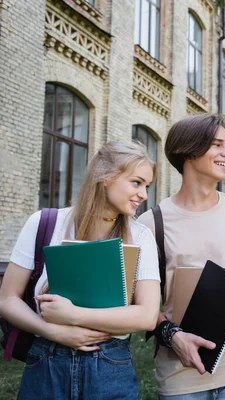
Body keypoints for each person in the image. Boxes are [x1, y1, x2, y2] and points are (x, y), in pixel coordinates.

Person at [0, 140, 161, 399]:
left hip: (110, 366)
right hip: (46, 362)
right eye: (136, 182)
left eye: (147, 186)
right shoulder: (44, 222)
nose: (144, 194)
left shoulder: (141, 237)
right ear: (106, 177)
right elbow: (7, 299)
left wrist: (74, 315)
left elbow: (147, 316)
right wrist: (50, 330)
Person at [138, 113, 225, 400]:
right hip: (180, 369)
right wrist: (173, 336)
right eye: (217, 145)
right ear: (189, 150)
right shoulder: (151, 223)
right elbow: (139, 302)